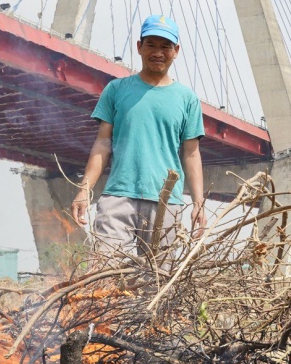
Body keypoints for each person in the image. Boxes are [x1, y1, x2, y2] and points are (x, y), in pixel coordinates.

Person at [70, 15, 206, 257]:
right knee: (104, 272)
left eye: (165, 46)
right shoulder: (116, 89)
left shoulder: (187, 99)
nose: (158, 52)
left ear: (176, 51)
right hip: (118, 196)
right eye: (151, 44)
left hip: (166, 201)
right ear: (139, 47)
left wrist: (198, 203)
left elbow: (191, 153)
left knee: (156, 281)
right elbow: (102, 144)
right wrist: (84, 190)